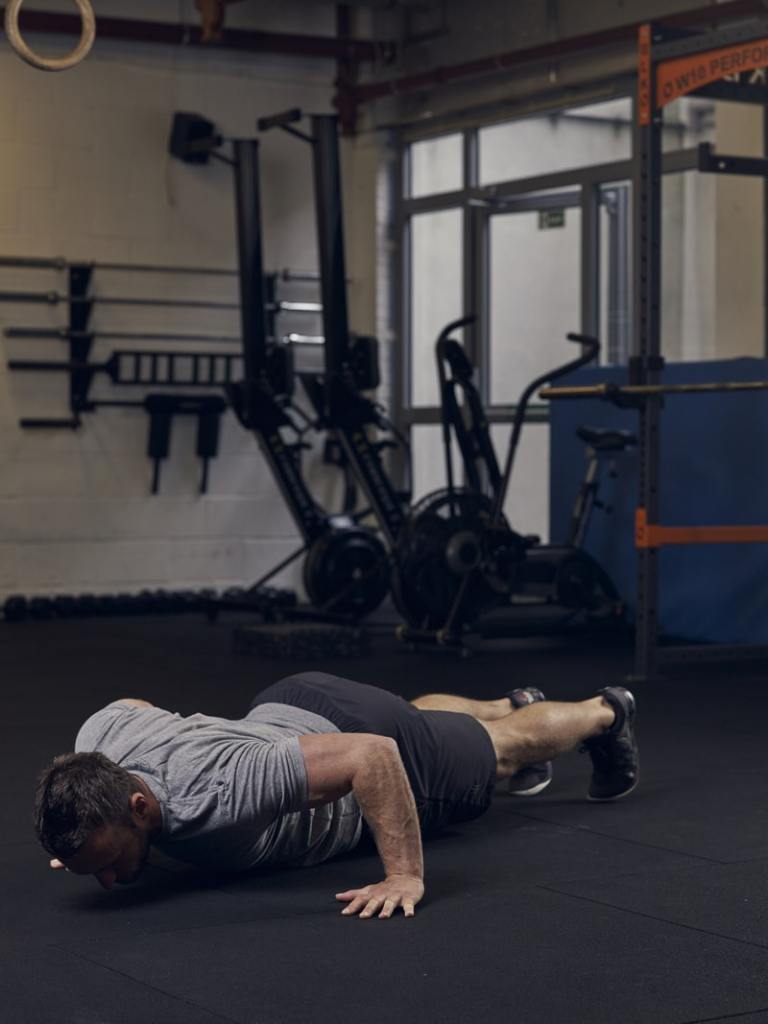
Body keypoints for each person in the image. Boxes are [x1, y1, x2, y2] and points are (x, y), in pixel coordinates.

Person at [34, 672, 638, 920]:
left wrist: (403, 875)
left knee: (501, 749)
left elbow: (372, 755)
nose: (108, 881)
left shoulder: (219, 788)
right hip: (292, 704)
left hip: (358, 754)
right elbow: (136, 708)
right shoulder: (100, 740)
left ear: (139, 807)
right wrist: (94, 840)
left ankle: (605, 711)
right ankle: (513, 704)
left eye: (110, 864)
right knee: (415, 718)